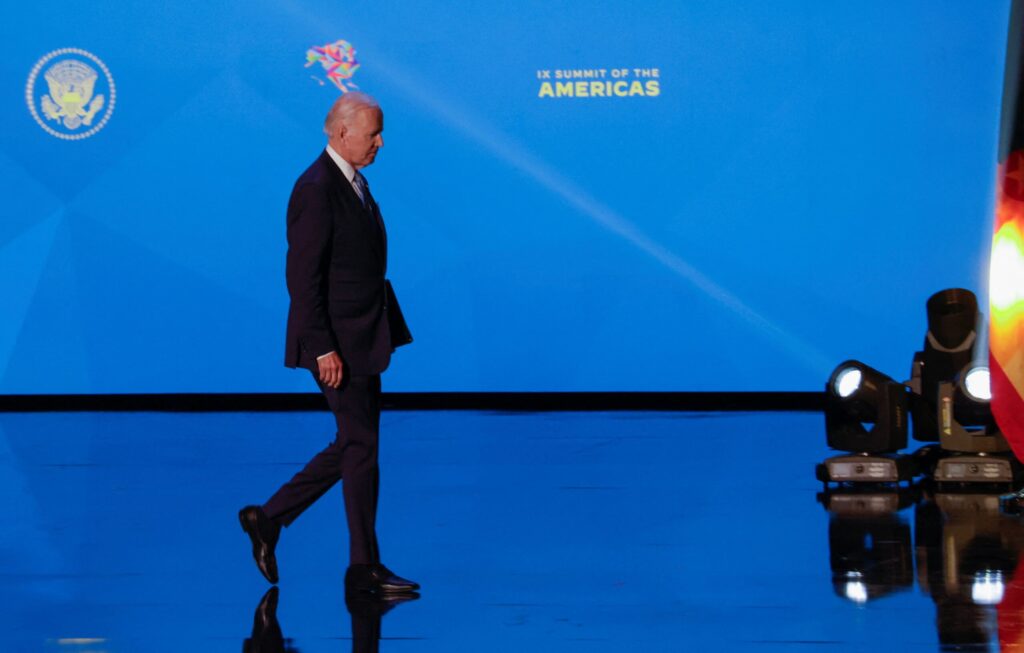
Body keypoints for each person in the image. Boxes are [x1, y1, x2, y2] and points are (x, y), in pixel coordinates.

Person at [239, 91, 417, 594]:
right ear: (341, 133)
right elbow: (303, 277)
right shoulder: (316, 188)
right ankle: (362, 569)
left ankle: (270, 519)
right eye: (373, 133)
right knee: (360, 445)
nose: (380, 142)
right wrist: (321, 347)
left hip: (362, 335)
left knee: (356, 445)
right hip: (335, 342)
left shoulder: (354, 184)